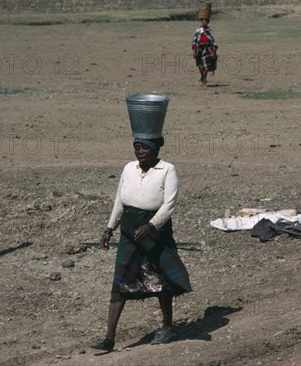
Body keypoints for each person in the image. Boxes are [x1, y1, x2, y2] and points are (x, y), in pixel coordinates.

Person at [91, 136, 191, 352]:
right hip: (129, 229)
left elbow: (169, 204)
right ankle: (109, 337)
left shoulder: (167, 169)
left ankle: (167, 326)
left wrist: (152, 225)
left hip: (155, 231)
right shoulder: (129, 168)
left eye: (145, 147)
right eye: (137, 147)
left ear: (155, 150)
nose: (140, 151)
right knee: (121, 280)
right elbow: (120, 200)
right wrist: (109, 228)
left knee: (160, 276)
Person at [192, 18, 218, 86]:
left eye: (205, 21)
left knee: (206, 65)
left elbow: (212, 42)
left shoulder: (209, 31)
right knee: (199, 65)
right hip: (199, 48)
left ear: (208, 22)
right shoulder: (198, 30)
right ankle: (202, 76)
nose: (204, 22)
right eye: (203, 21)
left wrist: (214, 51)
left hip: (207, 48)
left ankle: (204, 80)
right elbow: (195, 41)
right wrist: (194, 51)